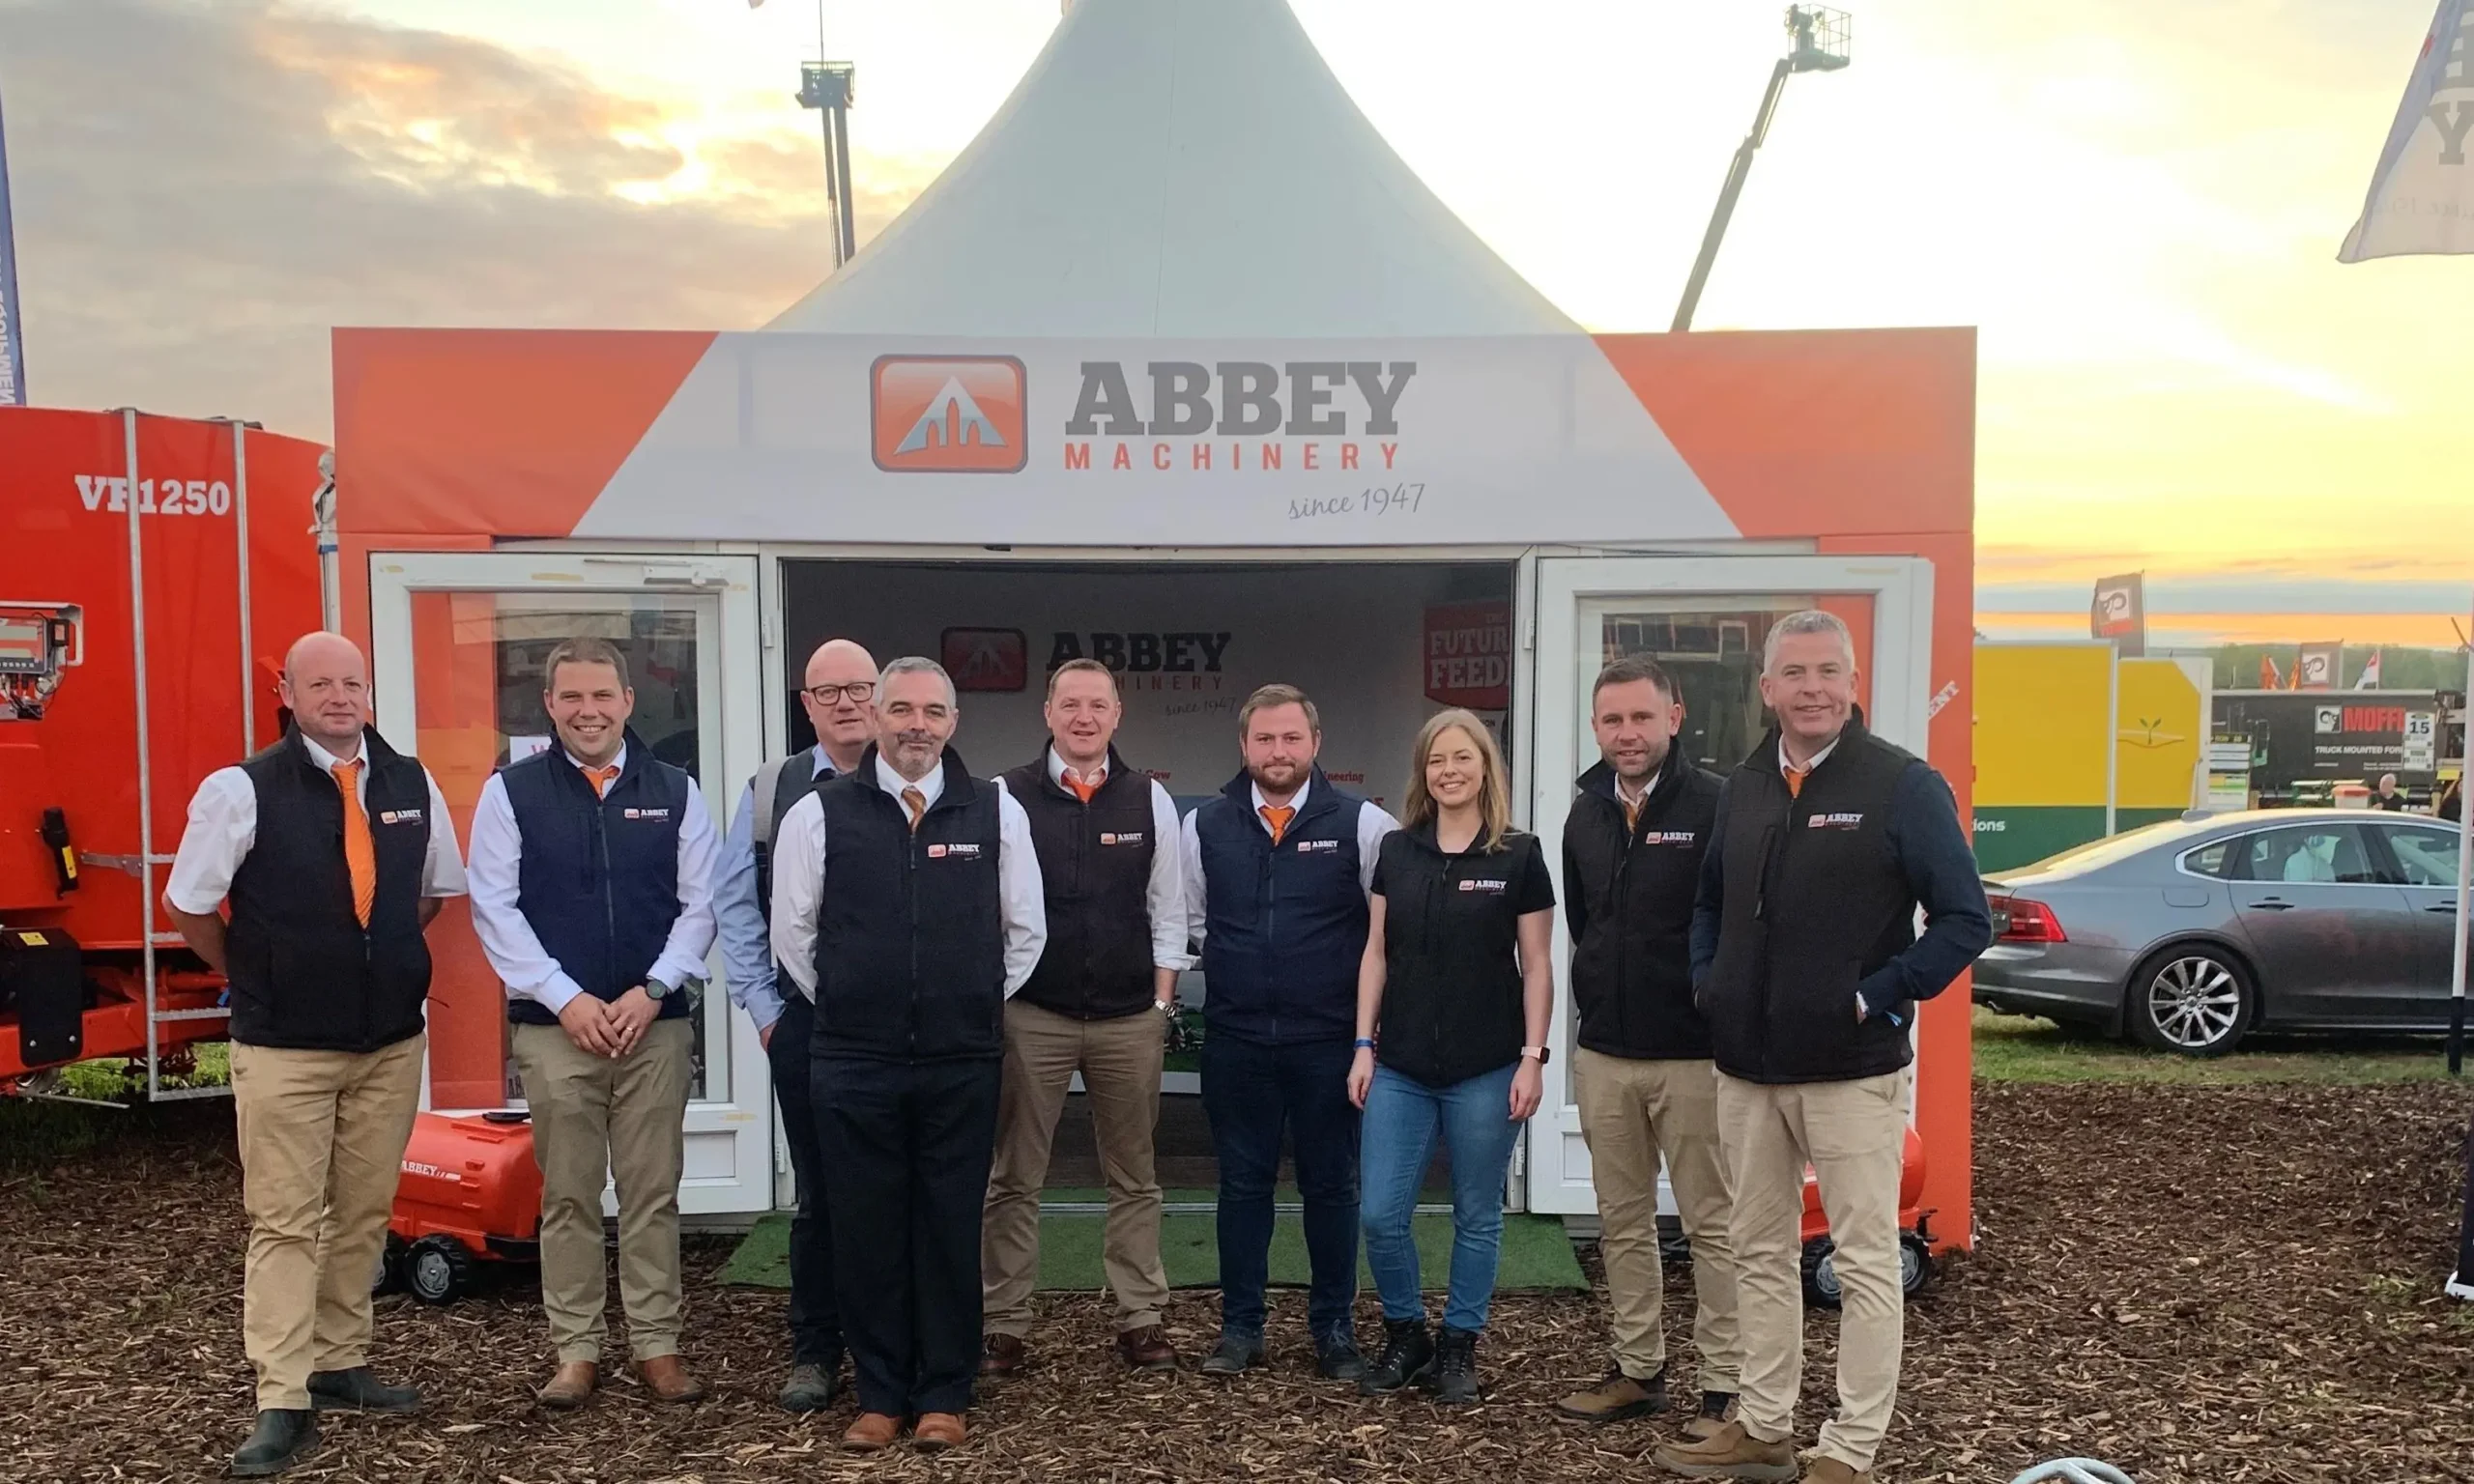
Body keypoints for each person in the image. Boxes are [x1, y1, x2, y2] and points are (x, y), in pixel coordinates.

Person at [1655, 612, 1990, 1484]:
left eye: (1828, 671)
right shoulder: (1745, 789)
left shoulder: (1902, 785)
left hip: (1850, 1072)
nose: (1812, 688)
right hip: (1747, 1069)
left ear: (1852, 684)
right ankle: (1764, 1429)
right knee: (1758, 1251)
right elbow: (1707, 907)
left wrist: (1877, 994)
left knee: (1865, 1259)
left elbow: (1965, 920)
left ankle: (1849, 1447)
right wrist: (1708, 981)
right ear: (1766, 690)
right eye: (1794, 673)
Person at [164, 633, 468, 1478]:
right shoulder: (241, 788)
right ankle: (282, 1395)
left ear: (369, 694)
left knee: (363, 1211)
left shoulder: (410, 783)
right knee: (286, 1221)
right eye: (320, 683)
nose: (340, 697)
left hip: (389, 1042)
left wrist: (376, 959)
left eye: (352, 683)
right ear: (288, 693)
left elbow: (431, 894)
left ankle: (339, 1359)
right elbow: (190, 906)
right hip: (285, 1048)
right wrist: (254, 973)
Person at [769, 657, 1047, 1453]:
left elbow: (1024, 932)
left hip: (962, 1058)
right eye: (900, 709)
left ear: (953, 722)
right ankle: (882, 1392)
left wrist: (967, 1004)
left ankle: (945, 1393)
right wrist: (860, 1004)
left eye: (932, 710)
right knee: (866, 1226)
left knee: (949, 1224)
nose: (915, 724)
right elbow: (795, 934)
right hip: (855, 1058)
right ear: (878, 719)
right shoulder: (818, 815)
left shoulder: (995, 811)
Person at [466, 637, 720, 1411]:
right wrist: (564, 998)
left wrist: (653, 988)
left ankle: (657, 1345)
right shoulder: (510, 794)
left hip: (656, 1025)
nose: (588, 711)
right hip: (555, 1031)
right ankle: (576, 1350)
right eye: (571, 697)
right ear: (549, 706)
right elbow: (493, 906)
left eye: (602, 696)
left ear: (627, 702)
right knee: (569, 1196)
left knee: (652, 1192)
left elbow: (700, 904)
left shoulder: (676, 789)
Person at [1182, 683, 1398, 1381]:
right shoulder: (1205, 826)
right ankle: (1241, 1329)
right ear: (1244, 747)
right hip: (1237, 1039)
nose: (1279, 751)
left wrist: (1366, 1036)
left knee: (1331, 1187)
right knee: (1242, 1187)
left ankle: (1334, 1331)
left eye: (1292, 738)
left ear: (1316, 744)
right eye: (1265, 739)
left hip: (1328, 1042)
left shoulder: (1364, 824)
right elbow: (1190, 919)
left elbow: (1382, 935)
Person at [981, 658, 1189, 1377]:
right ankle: (1003, 1324)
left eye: (1096, 704)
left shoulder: (1148, 799)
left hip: (1130, 1018)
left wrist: (1162, 1005)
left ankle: (1141, 1318)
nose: (1083, 717)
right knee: (1014, 1177)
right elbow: (992, 911)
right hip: (1032, 1016)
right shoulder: (1005, 796)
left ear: (1117, 713)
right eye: (1070, 704)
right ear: (1047, 713)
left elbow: (1169, 911)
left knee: (1134, 1177)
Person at [1552, 657, 1740, 1438]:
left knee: (1712, 1224)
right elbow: (1585, 923)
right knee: (1621, 1221)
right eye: (1611, 721)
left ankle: (1728, 1388)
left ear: (1675, 715)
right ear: (1596, 728)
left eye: (1639, 717)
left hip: (1695, 1055)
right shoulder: (1585, 813)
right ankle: (1639, 1370)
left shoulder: (1719, 804)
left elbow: (1735, 925)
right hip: (1606, 1054)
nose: (1626, 734)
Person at [1346, 709, 1554, 1404]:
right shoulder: (1398, 851)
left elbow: (1539, 963)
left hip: (1488, 1067)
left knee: (1477, 1213)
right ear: (1423, 772)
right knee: (1379, 1212)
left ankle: (1459, 1345)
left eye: (1464, 758)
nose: (1451, 771)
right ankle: (1408, 1333)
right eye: (1438, 760)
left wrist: (1533, 1057)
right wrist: (1363, 1045)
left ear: (1486, 767)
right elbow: (1376, 953)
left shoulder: (1518, 855)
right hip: (1400, 1066)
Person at [711, 638, 878, 1412]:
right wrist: (767, 1011)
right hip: (806, 1025)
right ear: (805, 705)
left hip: (904, 1033)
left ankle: (901, 1342)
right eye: (828, 692)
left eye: (859, 688)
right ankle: (817, 1348)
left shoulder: (916, 777)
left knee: (901, 1191)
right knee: (819, 1195)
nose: (846, 702)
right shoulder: (773, 789)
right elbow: (737, 904)